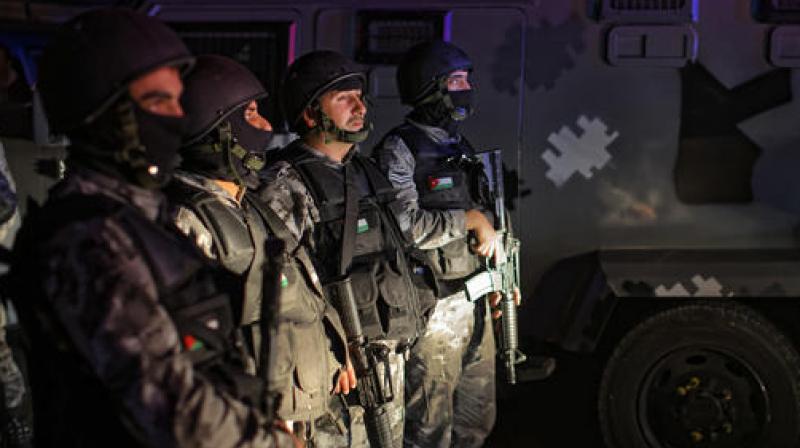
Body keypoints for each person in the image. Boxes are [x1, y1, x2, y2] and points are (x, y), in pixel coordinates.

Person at [7, 9, 295, 447]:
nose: (177, 119)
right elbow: (170, 403)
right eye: (159, 102)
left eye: (179, 102)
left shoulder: (143, 217)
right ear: (104, 111)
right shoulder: (87, 238)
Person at [373, 40, 553, 448]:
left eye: (467, 80)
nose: (465, 88)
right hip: (433, 306)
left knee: (475, 420)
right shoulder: (400, 148)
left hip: (475, 302)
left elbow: (489, 219)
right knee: (429, 427)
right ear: (429, 87)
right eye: (456, 80)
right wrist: (468, 221)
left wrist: (501, 274)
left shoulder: (460, 147)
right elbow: (405, 225)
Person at [166, 54, 353, 445]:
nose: (266, 126)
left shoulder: (251, 204)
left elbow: (307, 284)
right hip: (261, 423)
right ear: (215, 127)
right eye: (250, 114)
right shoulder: (188, 219)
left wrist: (337, 349)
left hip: (307, 404)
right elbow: (194, 352)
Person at [259, 50, 423, 447]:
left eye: (360, 95)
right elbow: (285, 287)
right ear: (311, 113)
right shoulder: (285, 183)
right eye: (343, 98)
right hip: (335, 369)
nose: (360, 106)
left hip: (387, 360)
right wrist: (335, 345)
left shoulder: (365, 172)